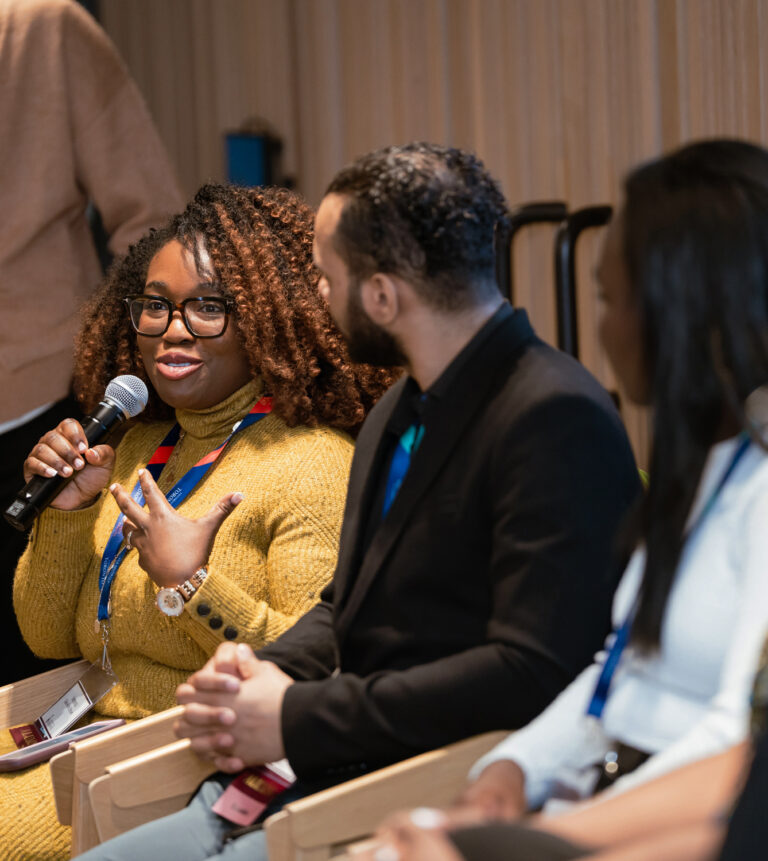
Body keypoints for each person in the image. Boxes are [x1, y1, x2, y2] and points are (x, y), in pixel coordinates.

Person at [78, 142, 641, 861]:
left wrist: (297, 712)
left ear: (381, 296)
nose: (313, 293)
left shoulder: (554, 416)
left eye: (324, 274)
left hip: (427, 782)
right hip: (314, 765)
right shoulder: (399, 408)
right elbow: (348, 602)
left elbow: (530, 670)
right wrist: (267, 669)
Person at [359, 138, 768, 861]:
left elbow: (740, 748)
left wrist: (526, 844)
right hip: (607, 802)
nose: (604, 330)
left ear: (683, 307)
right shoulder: (706, 461)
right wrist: (512, 768)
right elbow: (619, 671)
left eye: (612, 299)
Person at [4, 182, 394, 860]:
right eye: (154, 306)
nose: (173, 329)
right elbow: (44, 636)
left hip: (179, 767)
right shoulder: (130, 448)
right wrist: (71, 511)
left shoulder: (314, 466)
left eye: (207, 307)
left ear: (268, 319)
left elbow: (315, 676)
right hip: (82, 729)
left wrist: (194, 583)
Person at [0, 0, 185, 682]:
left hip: (45, 401)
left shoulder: (42, 30)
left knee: (44, 661)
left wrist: (121, 365)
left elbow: (152, 221)